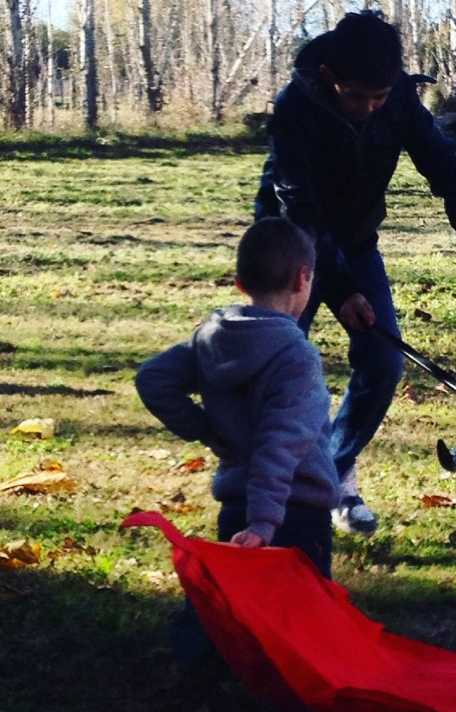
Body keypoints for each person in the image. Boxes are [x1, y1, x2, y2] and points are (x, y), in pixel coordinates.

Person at [254, 10, 456, 537]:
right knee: (279, 370)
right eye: (356, 96)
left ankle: (333, 476)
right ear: (329, 75)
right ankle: (262, 494)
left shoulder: (398, 97)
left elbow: (440, 157)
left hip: (356, 242)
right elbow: (300, 208)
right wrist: (340, 291)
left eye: (378, 98)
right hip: (289, 247)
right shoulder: (296, 107)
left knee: (383, 366)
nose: (367, 109)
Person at [135, 218, 339, 583]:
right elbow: (281, 443)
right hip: (294, 513)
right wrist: (264, 523)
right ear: (302, 278)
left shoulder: (212, 339)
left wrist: (208, 432)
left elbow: (153, 379)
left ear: (240, 283)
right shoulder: (296, 355)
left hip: (236, 506)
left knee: (240, 615)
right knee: (297, 622)